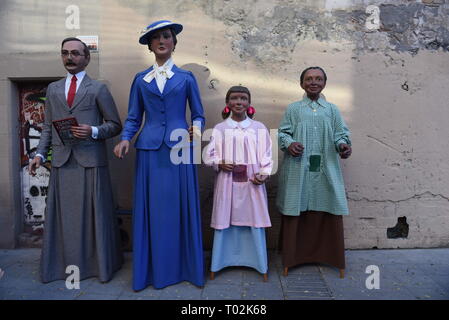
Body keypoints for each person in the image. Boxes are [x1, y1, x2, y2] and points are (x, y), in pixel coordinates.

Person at [114, 20, 205, 290]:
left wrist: (196, 133)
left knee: (180, 207)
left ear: (174, 43)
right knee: (153, 210)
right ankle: (151, 271)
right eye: (156, 38)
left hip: (180, 149)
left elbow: (198, 115)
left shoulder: (187, 78)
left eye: (167, 36)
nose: (162, 41)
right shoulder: (141, 80)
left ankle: (186, 268)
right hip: (150, 151)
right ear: (150, 45)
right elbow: (133, 117)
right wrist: (125, 139)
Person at [28, 37, 123, 283]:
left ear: (86, 58)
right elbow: (47, 127)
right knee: (63, 217)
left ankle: (98, 266)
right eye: (65, 53)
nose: (69, 57)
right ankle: (60, 267)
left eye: (75, 53)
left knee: (95, 216)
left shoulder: (98, 89)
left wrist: (92, 131)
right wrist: (39, 154)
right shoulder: (53, 89)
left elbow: (114, 125)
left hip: (91, 160)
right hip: (61, 161)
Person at [276, 66, 352, 278]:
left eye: (318, 79)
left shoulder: (332, 110)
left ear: (324, 83)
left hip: (325, 166)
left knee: (326, 202)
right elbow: (283, 132)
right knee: (297, 203)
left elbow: (341, 134)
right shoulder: (294, 109)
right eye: (309, 79)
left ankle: (330, 256)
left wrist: (343, 146)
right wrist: (289, 143)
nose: (313, 82)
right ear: (302, 83)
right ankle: (293, 258)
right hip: (299, 167)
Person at [204, 86, 272, 281]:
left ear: (249, 104)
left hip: (252, 183)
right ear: (228, 103)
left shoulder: (258, 128)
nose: (239, 102)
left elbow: (267, 154)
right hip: (227, 184)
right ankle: (221, 262)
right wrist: (220, 163)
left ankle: (258, 263)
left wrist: (264, 173)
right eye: (234, 98)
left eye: (243, 98)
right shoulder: (220, 129)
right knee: (227, 218)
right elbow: (209, 156)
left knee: (253, 220)